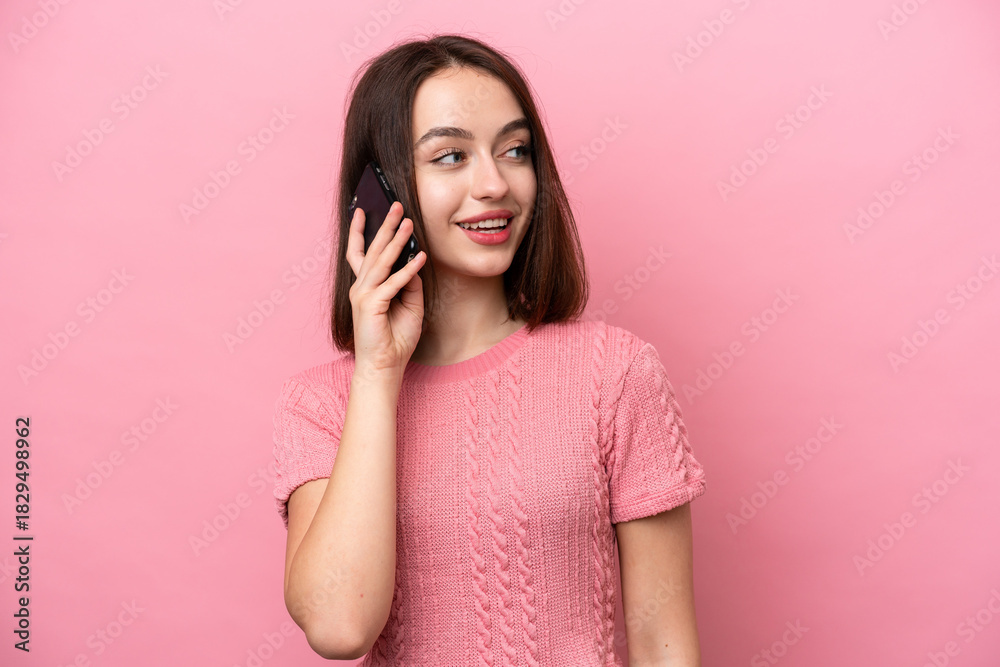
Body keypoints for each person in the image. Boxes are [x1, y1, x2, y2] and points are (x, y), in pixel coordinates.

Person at [271, 33, 707, 666]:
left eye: (515, 150)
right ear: (379, 188)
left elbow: (663, 642)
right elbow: (340, 627)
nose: (495, 183)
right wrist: (379, 373)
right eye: (450, 156)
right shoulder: (318, 404)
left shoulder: (616, 374)